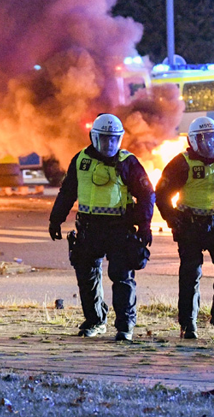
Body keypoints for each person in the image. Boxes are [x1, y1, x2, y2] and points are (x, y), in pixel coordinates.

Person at [48, 113, 155, 342]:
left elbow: (147, 194)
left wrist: (144, 224)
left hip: (119, 228)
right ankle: (95, 321)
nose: (109, 144)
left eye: (114, 139)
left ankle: (125, 327)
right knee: (87, 276)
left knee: (121, 277)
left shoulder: (128, 162)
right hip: (89, 228)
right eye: (104, 139)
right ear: (93, 137)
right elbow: (68, 192)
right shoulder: (81, 160)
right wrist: (56, 219)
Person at [155, 117, 214, 339]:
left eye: (213, 138)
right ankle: (188, 324)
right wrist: (173, 219)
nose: (209, 143)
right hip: (189, 224)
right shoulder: (181, 163)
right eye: (204, 139)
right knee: (191, 273)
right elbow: (161, 194)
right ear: (193, 141)